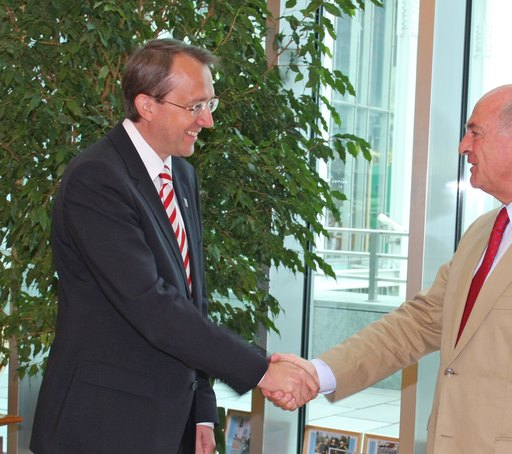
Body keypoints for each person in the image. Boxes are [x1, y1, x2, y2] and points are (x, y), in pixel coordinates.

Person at [267, 83, 512, 453]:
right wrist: (320, 372)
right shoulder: (483, 232)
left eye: (475, 132)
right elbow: (420, 322)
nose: (463, 146)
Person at [30, 38, 318, 454]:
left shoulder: (181, 175)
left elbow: (191, 301)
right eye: (194, 106)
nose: (207, 121)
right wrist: (260, 371)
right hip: (103, 425)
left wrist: (202, 408)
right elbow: (152, 304)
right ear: (147, 105)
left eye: (210, 105)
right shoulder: (96, 180)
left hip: (171, 421)